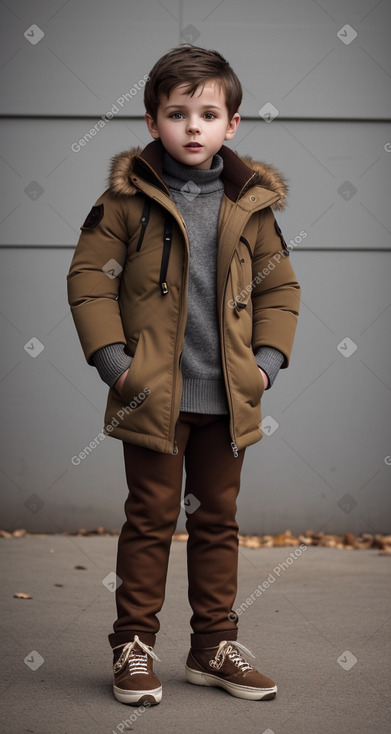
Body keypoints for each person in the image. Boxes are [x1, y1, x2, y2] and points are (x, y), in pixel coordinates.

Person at [67, 44, 301, 706]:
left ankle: (211, 647)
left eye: (207, 113)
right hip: (150, 398)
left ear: (231, 125)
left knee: (217, 521)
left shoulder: (251, 205)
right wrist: (116, 366)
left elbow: (280, 289)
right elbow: (88, 280)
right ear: (151, 122)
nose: (191, 127)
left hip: (227, 397)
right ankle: (133, 647)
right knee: (149, 518)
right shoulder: (125, 200)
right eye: (176, 113)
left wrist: (266, 366)